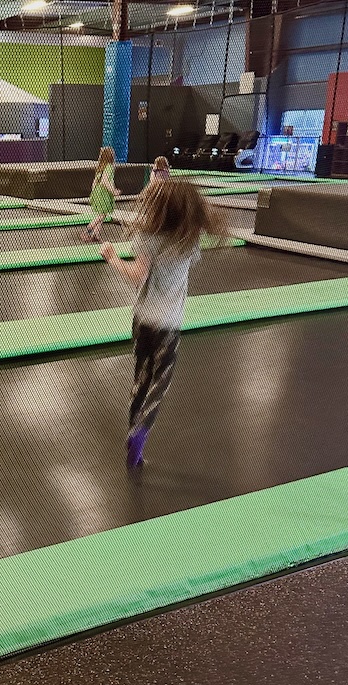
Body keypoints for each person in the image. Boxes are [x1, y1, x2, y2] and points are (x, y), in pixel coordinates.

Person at [99, 179, 228, 469]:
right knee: (159, 383)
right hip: (168, 326)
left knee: (140, 378)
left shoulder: (147, 237)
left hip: (142, 320)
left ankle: (132, 433)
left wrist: (112, 257)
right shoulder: (189, 242)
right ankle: (141, 430)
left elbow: (137, 277)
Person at [82, 146, 120, 243]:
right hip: (104, 193)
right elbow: (105, 181)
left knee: (101, 214)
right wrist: (113, 191)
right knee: (102, 215)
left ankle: (96, 235)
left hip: (97, 192)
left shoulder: (101, 167)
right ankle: (87, 231)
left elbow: (95, 182)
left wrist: (94, 193)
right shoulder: (109, 167)